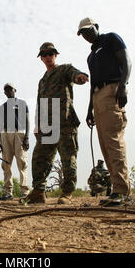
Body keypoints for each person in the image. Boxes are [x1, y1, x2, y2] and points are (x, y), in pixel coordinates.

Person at [21, 42, 89, 205]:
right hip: (47, 127)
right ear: (41, 58)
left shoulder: (64, 69)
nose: (47, 56)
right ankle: (38, 192)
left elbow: (75, 74)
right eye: (44, 54)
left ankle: (67, 193)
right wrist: (37, 124)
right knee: (39, 158)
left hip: (65, 123)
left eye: (50, 53)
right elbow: (40, 102)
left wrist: (80, 77)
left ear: (55, 55)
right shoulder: (42, 81)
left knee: (68, 159)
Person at [77, 17, 133, 207]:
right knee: (105, 145)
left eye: (88, 30)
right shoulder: (91, 56)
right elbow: (92, 83)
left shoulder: (111, 39)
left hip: (112, 90)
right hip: (97, 97)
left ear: (96, 27)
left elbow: (126, 61)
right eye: (82, 33)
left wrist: (123, 86)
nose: (86, 35)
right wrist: (89, 110)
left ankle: (123, 192)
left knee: (114, 141)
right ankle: (116, 190)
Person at [0, 83, 30, 200]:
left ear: (15, 90)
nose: (8, 91)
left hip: (18, 133)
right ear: (4, 93)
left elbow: (27, 121)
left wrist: (27, 137)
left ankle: (24, 191)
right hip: (5, 134)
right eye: (6, 90)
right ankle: (7, 192)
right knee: (6, 163)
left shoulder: (22, 103)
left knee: (21, 162)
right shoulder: (2, 107)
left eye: (10, 89)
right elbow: (0, 124)